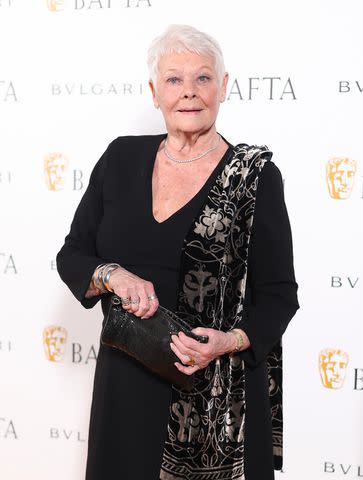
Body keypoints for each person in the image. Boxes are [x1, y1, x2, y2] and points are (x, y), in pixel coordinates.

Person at [57, 24, 299, 480]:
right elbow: (73, 255)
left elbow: (279, 294)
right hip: (125, 385)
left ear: (224, 87)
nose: (189, 93)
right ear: (154, 91)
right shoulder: (119, 160)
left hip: (214, 398)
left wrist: (229, 341)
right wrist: (113, 275)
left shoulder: (256, 178)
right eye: (174, 79)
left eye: (203, 78)